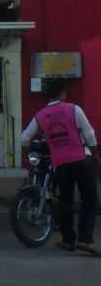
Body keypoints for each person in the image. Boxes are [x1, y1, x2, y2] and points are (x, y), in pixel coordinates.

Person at [21, 79, 101, 256]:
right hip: (81, 159)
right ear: (63, 93)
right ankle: (85, 240)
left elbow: (24, 139)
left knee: (65, 201)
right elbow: (88, 132)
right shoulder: (73, 109)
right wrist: (95, 154)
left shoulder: (40, 115)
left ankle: (68, 240)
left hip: (60, 164)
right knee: (90, 199)